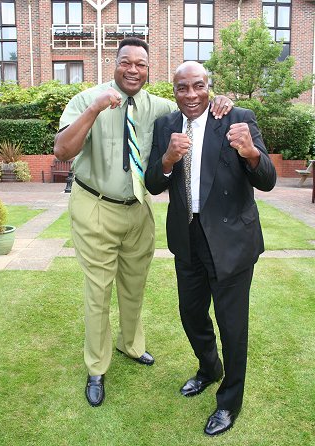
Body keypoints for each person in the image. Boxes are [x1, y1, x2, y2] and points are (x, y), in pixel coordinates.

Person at [54, 37, 233, 408]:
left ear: (149, 69)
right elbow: (62, 150)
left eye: (141, 64)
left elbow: (193, 106)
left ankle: (131, 345)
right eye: (126, 62)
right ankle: (96, 368)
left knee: (134, 287)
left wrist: (221, 102)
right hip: (95, 206)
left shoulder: (160, 107)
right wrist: (97, 109)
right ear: (114, 64)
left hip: (139, 209)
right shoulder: (86, 99)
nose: (133, 69)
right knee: (98, 292)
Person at [145, 61, 276, 436]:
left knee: (233, 326)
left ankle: (229, 401)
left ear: (209, 86)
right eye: (182, 88)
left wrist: (251, 152)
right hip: (188, 238)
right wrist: (168, 158)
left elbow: (266, 180)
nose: (190, 95)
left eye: (198, 86)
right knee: (191, 314)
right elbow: (154, 183)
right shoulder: (165, 126)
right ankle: (209, 368)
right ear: (174, 91)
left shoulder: (237, 117)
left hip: (232, 239)